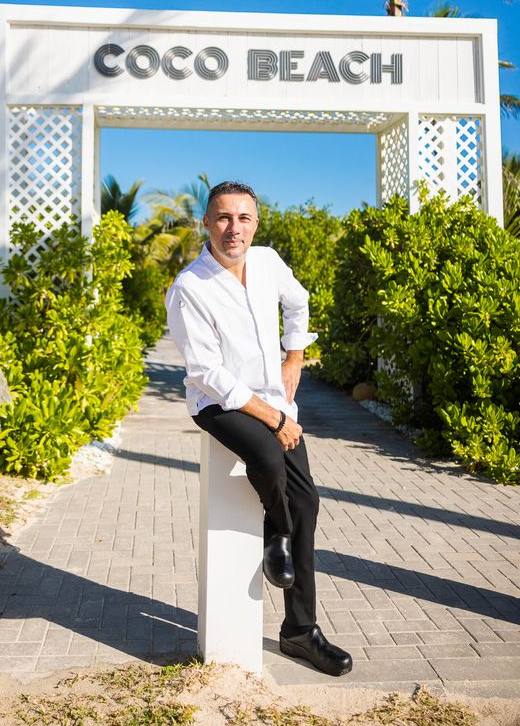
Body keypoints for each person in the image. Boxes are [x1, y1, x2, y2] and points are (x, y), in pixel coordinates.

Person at [165, 180, 352, 677]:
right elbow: (208, 372)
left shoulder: (268, 262)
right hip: (219, 403)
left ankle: (299, 632)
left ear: (256, 223)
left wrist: (296, 355)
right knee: (268, 458)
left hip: (273, 398)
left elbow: (299, 301)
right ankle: (277, 532)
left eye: (243, 218)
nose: (234, 228)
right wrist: (274, 419)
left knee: (307, 501)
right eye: (223, 218)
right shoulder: (189, 287)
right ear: (206, 223)